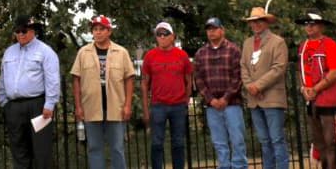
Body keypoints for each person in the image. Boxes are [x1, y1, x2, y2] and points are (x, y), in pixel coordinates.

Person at [70, 15, 135, 169]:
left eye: (101, 29)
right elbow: (76, 79)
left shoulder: (121, 52)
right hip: (91, 108)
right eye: (95, 29)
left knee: (117, 148)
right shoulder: (83, 53)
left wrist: (127, 105)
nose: (98, 32)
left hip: (116, 108)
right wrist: (78, 107)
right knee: (94, 148)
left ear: (109, 31)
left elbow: (129, 79)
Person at [0, 15, 60, 169]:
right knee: (18, 149)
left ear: (33, 31)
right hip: (14, 107)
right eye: (17, 31)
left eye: (24, 31)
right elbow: (3, 78)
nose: (20, 34)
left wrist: (50, 104)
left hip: (38, 106)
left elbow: (52, 79)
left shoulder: (45, 51)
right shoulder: (9, 52)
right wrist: (4, 102)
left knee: (41, 150)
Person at [194, 18, 247, 169]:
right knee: (219, 142)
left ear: (222, 30)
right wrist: (211, 100)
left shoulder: (234, 50)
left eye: (214, 28)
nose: (211, 32)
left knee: (237, 140)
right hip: (212, 107)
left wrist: (225, 98)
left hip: (232, 104)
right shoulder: (200, 53)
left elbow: (238, 77)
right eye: (209, 29)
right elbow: (199, 80)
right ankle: (224, 166)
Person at [241, 6, 289, 169]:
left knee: (276, 140)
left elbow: (279, 68)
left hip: (272, 99)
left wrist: (258, 86)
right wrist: (249, 86)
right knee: (264, 141)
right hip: (254, 100)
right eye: (253, 21)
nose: (255, 24)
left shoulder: (278, 42)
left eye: (259, 21)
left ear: (266, 22)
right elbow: (243, 68)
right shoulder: (247, 43)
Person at [296, 11, 336, 169]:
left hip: (329, 101)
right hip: (311, 100)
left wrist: (316, 89)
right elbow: (301, 71)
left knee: (332, 141)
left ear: (321, 26)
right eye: (306, 24)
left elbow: (335, 72)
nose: (309, 27)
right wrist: (304, 88)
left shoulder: (330, 45)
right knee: (319, 142)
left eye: (312, 24)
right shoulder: (303, 47)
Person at [141, 21, 192, 169]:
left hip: (178, 106)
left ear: (173, 36)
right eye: (159, 34)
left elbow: (189, 80)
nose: (162, 37)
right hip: (158, 106)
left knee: (178, 143)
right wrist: (145, 110)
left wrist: (186, 100)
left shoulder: (182, 55)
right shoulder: (150, 56)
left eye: (165, 34)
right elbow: (144, 84)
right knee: (156, 143)